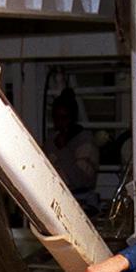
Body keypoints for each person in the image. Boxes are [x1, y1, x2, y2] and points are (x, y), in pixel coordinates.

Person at [46, 88, 100, 216]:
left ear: (73, 118)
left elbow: (81, 181)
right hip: (56, 201)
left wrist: (64, 151)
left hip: (83, 204)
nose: (61, 123)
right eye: (56, 118)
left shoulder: (86, 143)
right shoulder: (50, 142)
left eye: (64, 118)